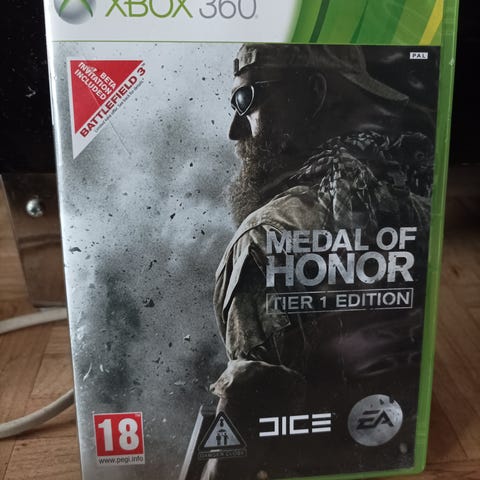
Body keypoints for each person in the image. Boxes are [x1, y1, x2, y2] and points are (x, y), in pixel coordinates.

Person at [202, 44, 435, 480]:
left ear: (312, 94)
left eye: (246, 99)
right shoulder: (423, 211)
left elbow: (247, 417)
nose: (235, 129)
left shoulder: (266, 237)